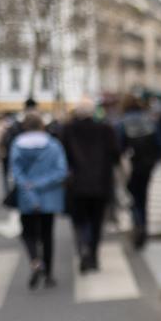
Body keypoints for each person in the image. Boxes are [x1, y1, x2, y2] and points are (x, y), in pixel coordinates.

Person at [9, 113, 67, 289]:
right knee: (47, 235)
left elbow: (15, 172)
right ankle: (49, 274)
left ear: (25, 126)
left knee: (28, 233)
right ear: (42, 125)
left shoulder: (17, 145)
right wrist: (40, 184)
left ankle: (35, 261)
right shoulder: (53, 145)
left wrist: (29, 186)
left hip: (26, 197)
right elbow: (61, 171)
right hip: (49, 197)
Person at [62, 98, 119, 273]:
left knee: (79, 221)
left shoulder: (67, 130)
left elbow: (62, 157)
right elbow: (116, 155)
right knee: (96, 221)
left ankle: (83, 248)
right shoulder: (105, 129)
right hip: (100, 183)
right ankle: (93, 254)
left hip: (77, 184)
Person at [116, 94, 161, 249]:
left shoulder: (122, 122)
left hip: (132, 165)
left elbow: (118, 147)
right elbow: (160, 143)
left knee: (134, 197)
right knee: (144, 196)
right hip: (147, 165)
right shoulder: (150, 120)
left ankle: (138, 225)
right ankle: (143, 225)